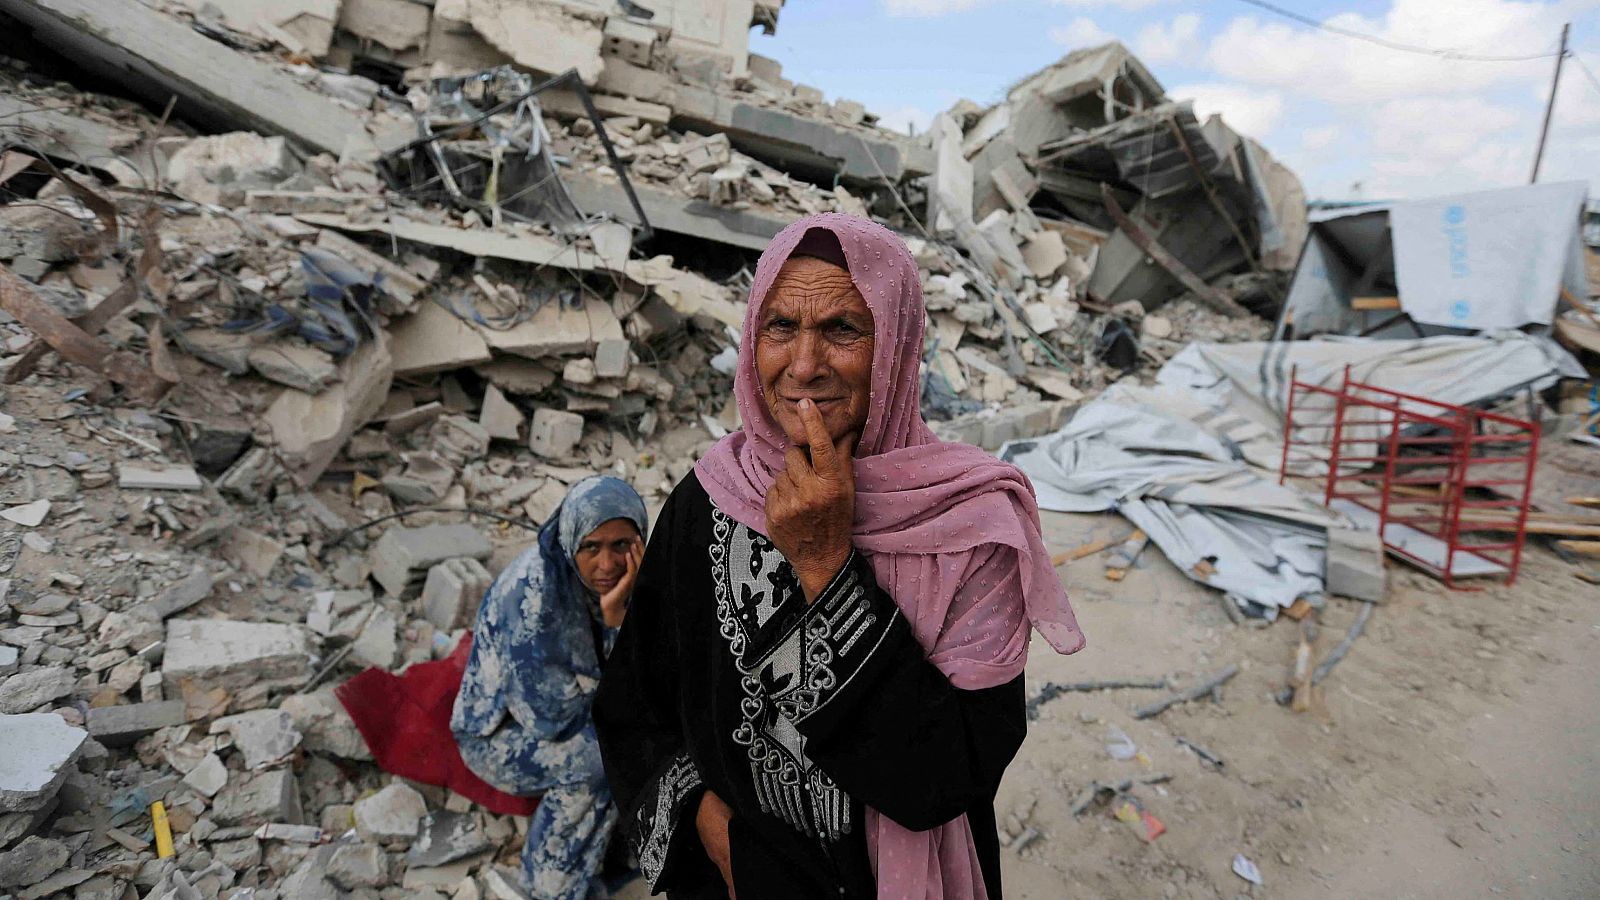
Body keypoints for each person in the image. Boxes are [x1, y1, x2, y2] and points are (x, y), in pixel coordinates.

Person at [593, 213, 1084, 900]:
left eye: (842, 330)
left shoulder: (971, 527)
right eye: (781, 327)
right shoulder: (710, 498)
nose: (803, 366)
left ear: (896, 345)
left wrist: (825, 566)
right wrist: (705, 822)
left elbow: (949, 776)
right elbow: (636, 702)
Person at [452, 475, 647, 899]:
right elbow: (550, 720)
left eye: (621, 545)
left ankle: (613, 851)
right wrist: (618, 631)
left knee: (649, 729)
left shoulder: (628, 579)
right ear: (569, 542)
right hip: (500, 733)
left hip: (571, 706)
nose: (608, 565)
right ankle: (551, 884)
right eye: (590, 547)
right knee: (598, 759)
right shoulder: (531, 601)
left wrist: (619, 618)